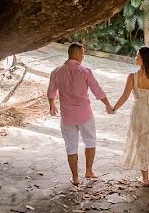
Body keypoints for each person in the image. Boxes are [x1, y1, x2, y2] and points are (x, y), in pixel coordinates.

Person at [47, 42, 115, 185]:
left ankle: (75, 177)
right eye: (82, 53)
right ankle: (89, 171)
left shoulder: (56, 72)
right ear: (77, 54)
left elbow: (51, 92)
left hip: (67, 116)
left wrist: (52, 106)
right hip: (85, 114)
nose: (83, 56)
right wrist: (108, 105)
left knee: (71, 146)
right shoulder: (85, 71)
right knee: (90, 141)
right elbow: (98, 91)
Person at [111, 46, 149, 186]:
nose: (135, 58)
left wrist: (114, 108)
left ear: (144, 59)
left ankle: (145, 178)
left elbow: (124, 96)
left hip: (139, 113)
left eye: (137, 56)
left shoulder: (133, 77)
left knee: (141, 143)